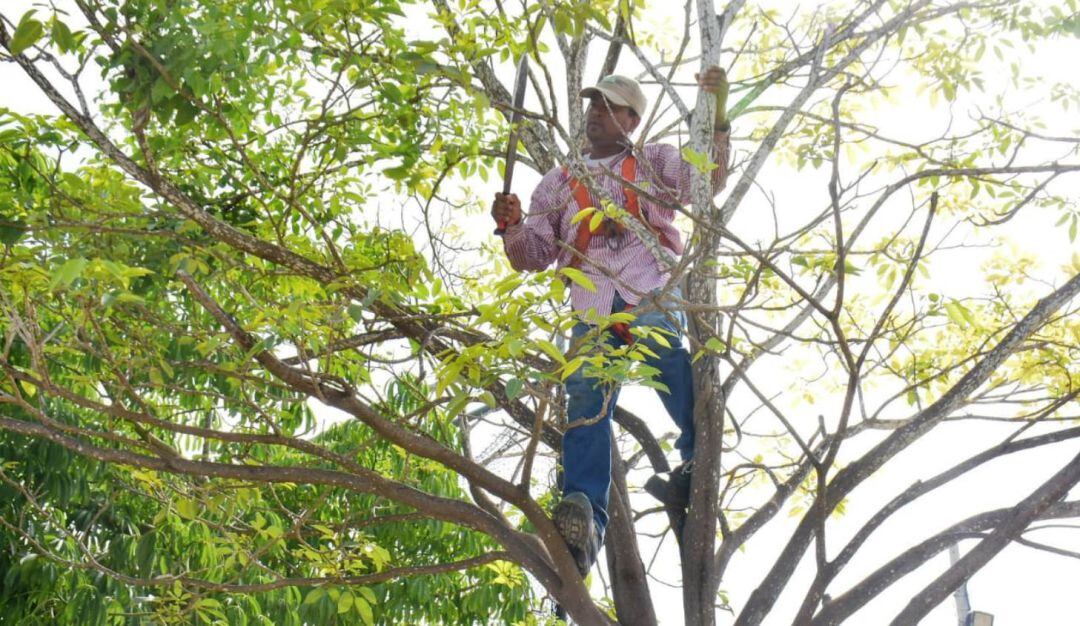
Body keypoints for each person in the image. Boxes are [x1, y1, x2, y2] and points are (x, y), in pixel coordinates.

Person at [491, 67, 732, 577]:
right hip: (595, 306)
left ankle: (696, 462)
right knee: (584, 399)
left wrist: (718, 116)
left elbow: (703, 179)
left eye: (607, 106)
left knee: (670, 363)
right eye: (592, 105)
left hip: (648, 291)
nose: (595, 113)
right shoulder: (557, 184)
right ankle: (584, 515)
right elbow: (533, 254)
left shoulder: (653, 159)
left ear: (631, 119)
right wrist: (511, 227)